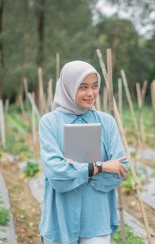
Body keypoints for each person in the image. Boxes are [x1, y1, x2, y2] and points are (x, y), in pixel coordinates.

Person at [39, 60, 129, 244]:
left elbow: (121, 168)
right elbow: (56, 174)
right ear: (68, 88)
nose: (91, 93)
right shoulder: (49, 123)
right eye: (83, 87)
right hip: (60, 218)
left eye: (95, 86)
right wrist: (99, 167)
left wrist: (74, 171)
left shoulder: (107, 122)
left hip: (96, 218)